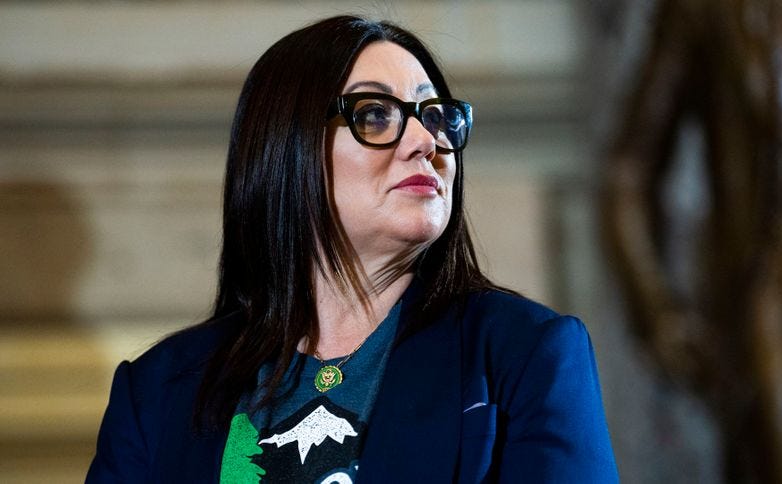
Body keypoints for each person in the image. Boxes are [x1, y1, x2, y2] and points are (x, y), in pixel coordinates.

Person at [86, 15, 617, 483]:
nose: (425, 142)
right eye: (375, 115)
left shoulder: (523, 354)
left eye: (437, 117)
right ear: (285, 148)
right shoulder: (157, 392)